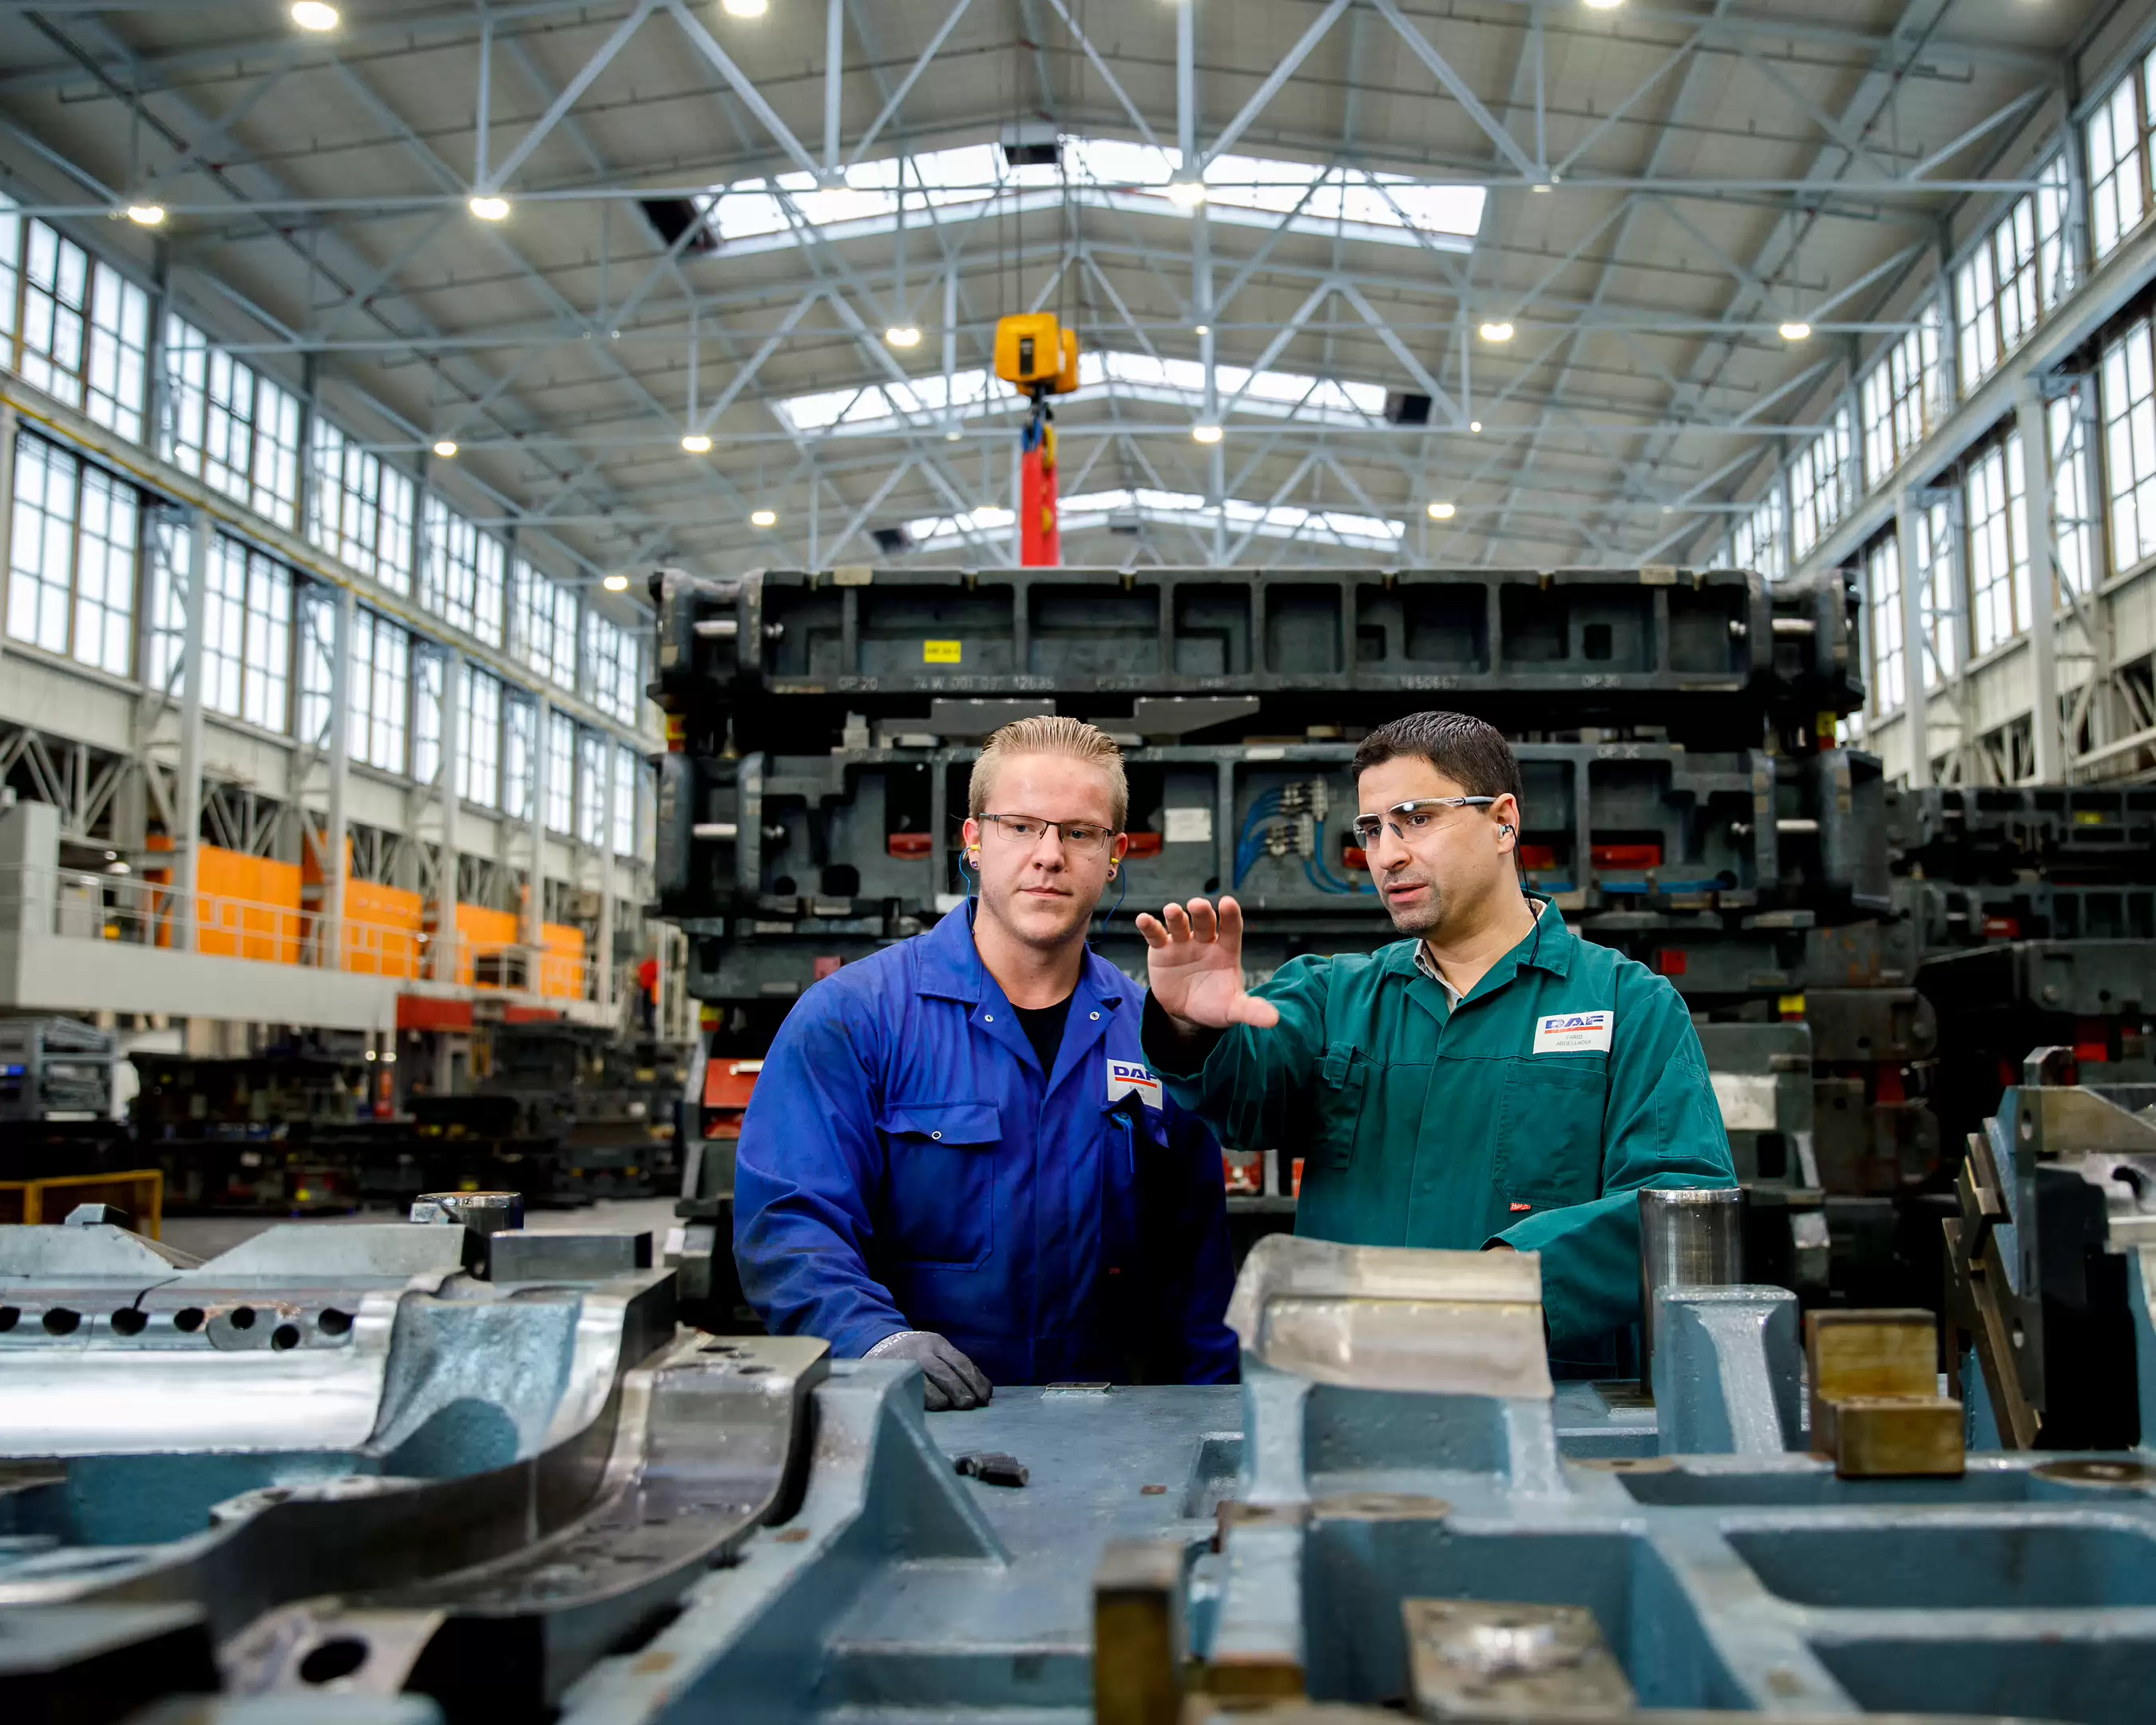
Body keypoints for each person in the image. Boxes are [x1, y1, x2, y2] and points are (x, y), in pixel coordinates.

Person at [1135, 710, 1734, 1368]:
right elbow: (1245, 1099)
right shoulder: (1334, 998)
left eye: (1417, 818)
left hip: (1548, 1411)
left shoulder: (1629, 1007)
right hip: (1346, 1400)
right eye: (1372, 829)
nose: (1387, 855)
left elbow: (1680, 1206)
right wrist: (1192, 1028)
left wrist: (1513, 1282)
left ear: (1504, 821)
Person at [733, 716, 1237, 1410]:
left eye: (1078, 832)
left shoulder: (1156, 1038)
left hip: (1114, 1440)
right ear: (973, 841)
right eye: (1021, 826)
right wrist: (873, 1343)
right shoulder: (855, 1018)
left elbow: (1199, 1275)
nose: (1049, 854)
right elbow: (791, 1225)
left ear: (1114, 854)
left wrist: (1219, 1423)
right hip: (909, 1430)